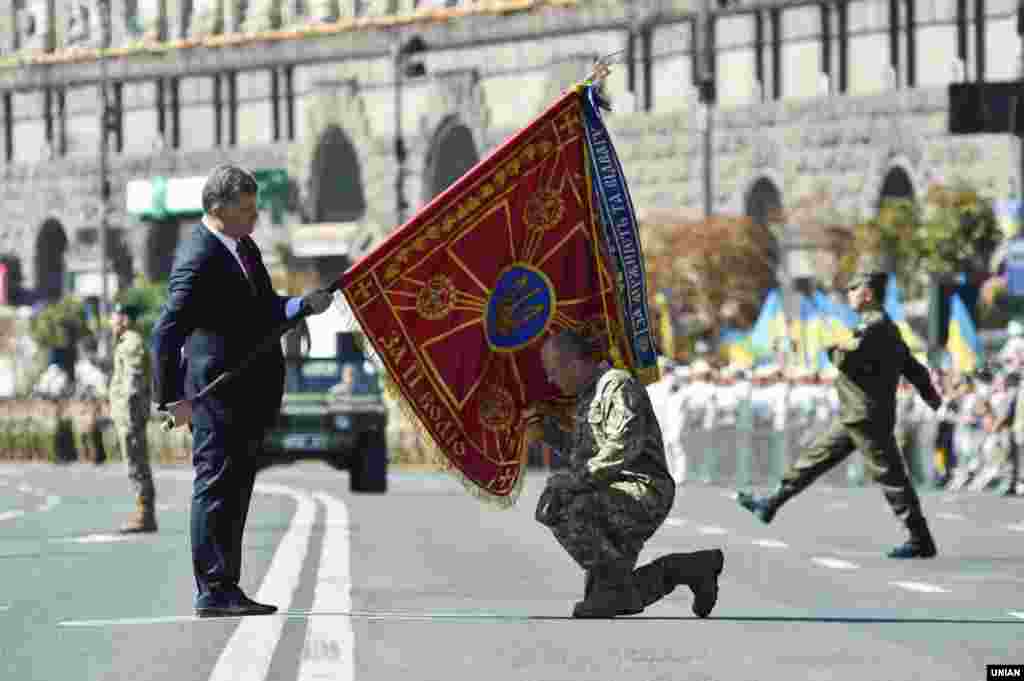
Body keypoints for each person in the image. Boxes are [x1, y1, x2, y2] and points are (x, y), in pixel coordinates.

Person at [151, 164, 334, 618]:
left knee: (235, 492)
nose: (255, 218)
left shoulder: (244, 247)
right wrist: (172, 398)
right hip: (215, 393)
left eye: (255, 208)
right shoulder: (198, 255)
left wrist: (300, 305)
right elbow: (166, 331)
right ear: (218, 209)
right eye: (247, 209)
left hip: (247, 395)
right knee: (215, 488)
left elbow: (264, 309)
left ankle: (227, 585)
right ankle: (212, 589)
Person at [736, 263, 944, 559]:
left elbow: (846, 359)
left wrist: (832, 345)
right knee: (814, 459)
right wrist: (931, 396)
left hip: (866, 416)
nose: (849, 295)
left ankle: (920, 538)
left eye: (854, 289)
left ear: (868, 294)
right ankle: (771, 503)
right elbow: (913, 367)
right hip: (856, 415)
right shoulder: (885, 327)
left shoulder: (873, 327)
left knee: (890, 476)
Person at [528, 329, 724, 619]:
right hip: (612, 490)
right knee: (618, 597)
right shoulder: (588, 396)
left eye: (553, 372)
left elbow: (621, 447)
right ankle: (694, 568)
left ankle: (613, 585)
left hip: (642, 489)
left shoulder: (617, 386)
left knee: (563, 505)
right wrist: (548, 434)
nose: (551, 381)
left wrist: (573, 482)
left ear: (573, 362)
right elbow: (587, 454)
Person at [108, 302, 156, 533]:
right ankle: (143, 512)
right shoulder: (126, 343)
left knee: (136, 463)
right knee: (134, 463)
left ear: (125, 319)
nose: (111, 322)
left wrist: (128, 415)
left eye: (114, 317)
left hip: (131, 415)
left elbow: (133, 382)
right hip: (128, 414)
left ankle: (144, 514)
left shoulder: (131, 343)